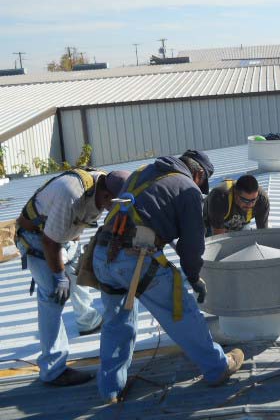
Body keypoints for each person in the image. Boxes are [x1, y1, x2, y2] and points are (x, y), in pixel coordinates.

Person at [92, 150, 244, 404]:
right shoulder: (188, 189)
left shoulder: (143, 172)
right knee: (182, 313)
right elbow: (192, 245)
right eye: (201, 181)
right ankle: (218, 367)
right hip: (134, 259)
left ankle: (110, 389)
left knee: (117, 323)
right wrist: (194, 276)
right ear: (198, 174)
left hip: (102, 256)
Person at [15, 168, 130, 386]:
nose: (112, 209)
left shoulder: (106, 182)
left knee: (78, 275)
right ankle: (53, 369)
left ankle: (87, 321)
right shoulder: (69, 193)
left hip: (64, 236)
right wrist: (58, 276)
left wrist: (74, 245)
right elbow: (50, 242)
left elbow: (78, 221)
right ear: (106, 196)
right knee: (52, 297)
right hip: (39, 240)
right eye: (113, 205)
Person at [204, 174, 270, 235]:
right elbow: (218, 237)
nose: (250, 205)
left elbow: (263, 232)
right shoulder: (220, 196)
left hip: (240, 224)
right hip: (211, 223)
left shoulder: (262, 199)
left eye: (253, 200)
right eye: (246, 201)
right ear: (235, 194)